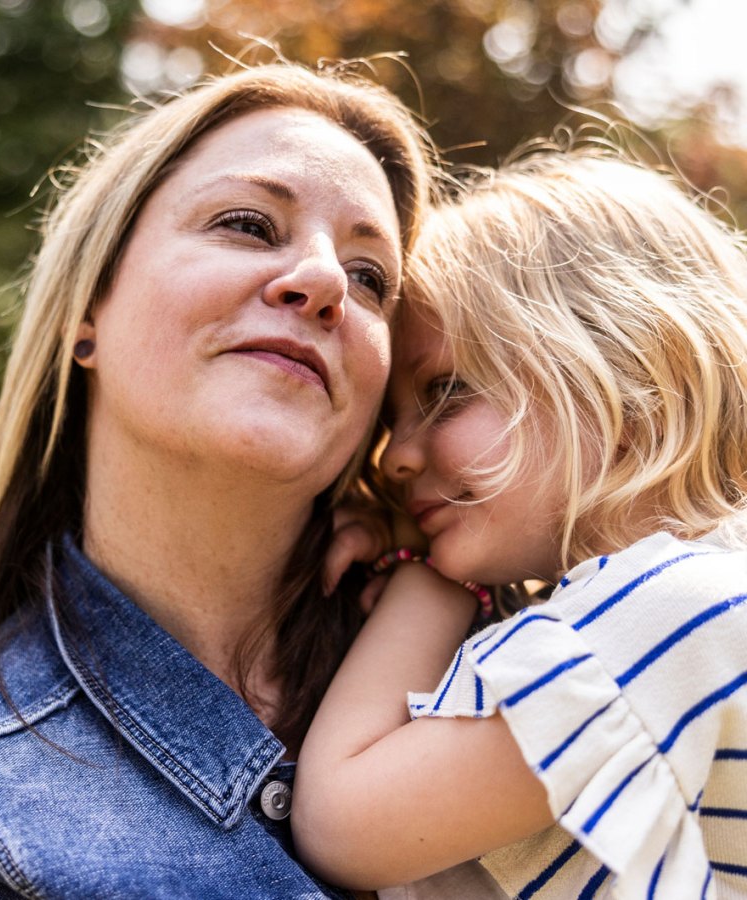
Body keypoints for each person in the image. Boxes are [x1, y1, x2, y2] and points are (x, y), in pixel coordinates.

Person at [0, 62, 431, 898]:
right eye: (247, 224)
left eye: (372, 276)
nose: (327, 281)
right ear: (88, 310)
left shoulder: (510, 648)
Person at [291, 150, 747, 899]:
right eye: (393, 420)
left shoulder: (666, 615)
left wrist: (431, 581)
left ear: (630, 380)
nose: (396, 459)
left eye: (446, 392)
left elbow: (340, 824)